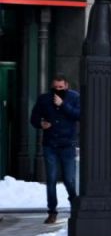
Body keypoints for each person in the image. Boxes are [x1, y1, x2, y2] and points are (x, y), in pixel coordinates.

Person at [29, 75, 80, 224]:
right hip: (50, 144)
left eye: (61, 87)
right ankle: (52, 212)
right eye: (55, 87)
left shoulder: (74, 97)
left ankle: (75, 207)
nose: (57, 90)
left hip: (67, 144)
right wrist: (41, 123)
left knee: (69, 180)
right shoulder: (44, 99)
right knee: (51, 179)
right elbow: (34, 118)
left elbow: (79, 115)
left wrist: (63, 104)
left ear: (66, 86)